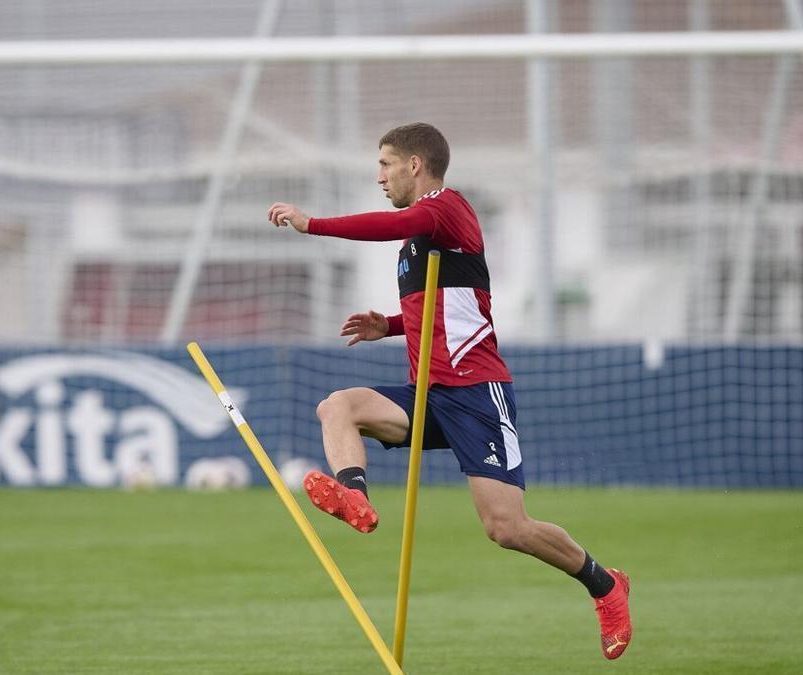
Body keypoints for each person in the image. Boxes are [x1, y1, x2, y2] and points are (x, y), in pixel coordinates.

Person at [266, 123, 632, 660]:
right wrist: (390, 326)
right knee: (336, 406)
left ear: (415, 164)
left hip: (476, 392)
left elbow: (395, 226)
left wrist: (312, 223)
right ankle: (355, 496)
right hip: (426, 393)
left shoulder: (446, 208)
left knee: (506, 527)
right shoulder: (416, 241)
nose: (379, 176)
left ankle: (606, 585)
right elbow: (446, 307)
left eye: (385, 164)